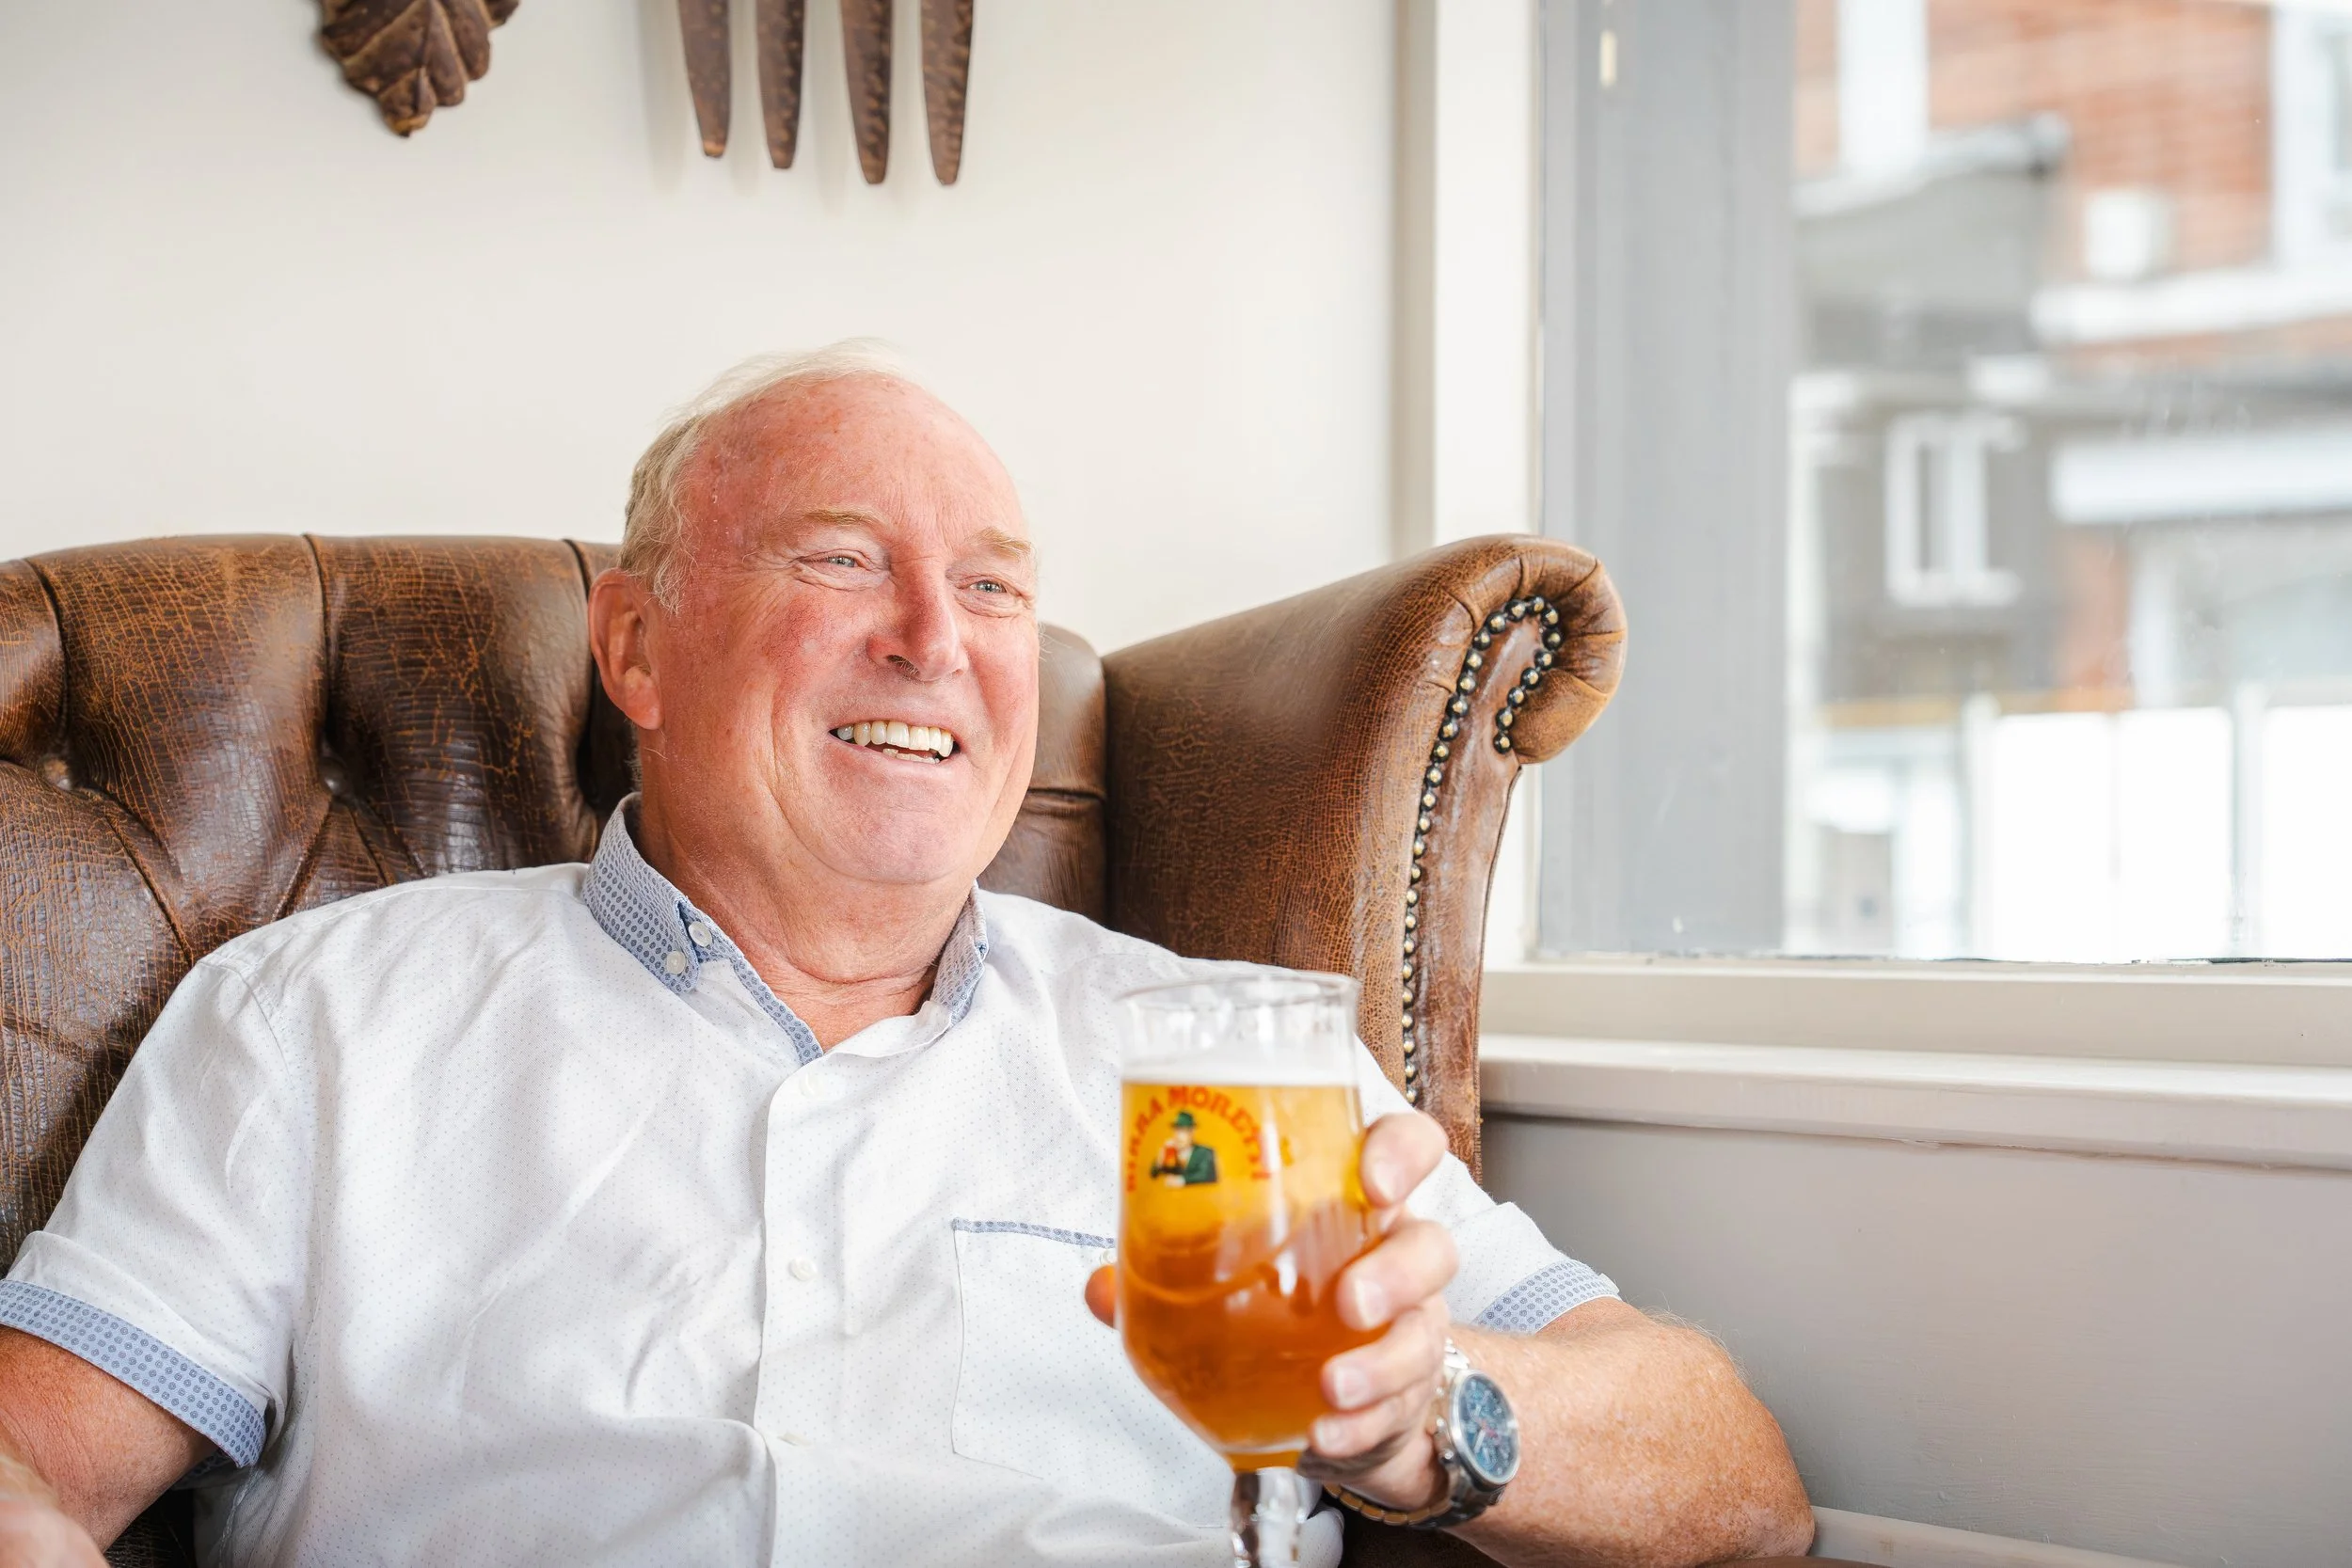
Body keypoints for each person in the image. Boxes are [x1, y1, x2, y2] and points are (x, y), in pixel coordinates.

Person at [0, 347, 1814, 1567]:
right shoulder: (316, 1015)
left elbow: (1737, 1475)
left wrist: (1429, 1414)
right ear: (637, 649)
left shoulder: (1218, 1064)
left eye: (998, 584)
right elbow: (28, 1468)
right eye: (843, 562)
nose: (937, 639)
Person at [1150, 1111, 1219, 1187]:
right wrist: (1159, 1162)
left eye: (1183, 1131)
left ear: (1192, 1133)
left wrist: (1181, 1180)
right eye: (1176, 1131)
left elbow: (1208, 1176)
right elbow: (1153, 1174)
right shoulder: (1171, 1153)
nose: (1177, 1136)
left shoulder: (1205, 1152)